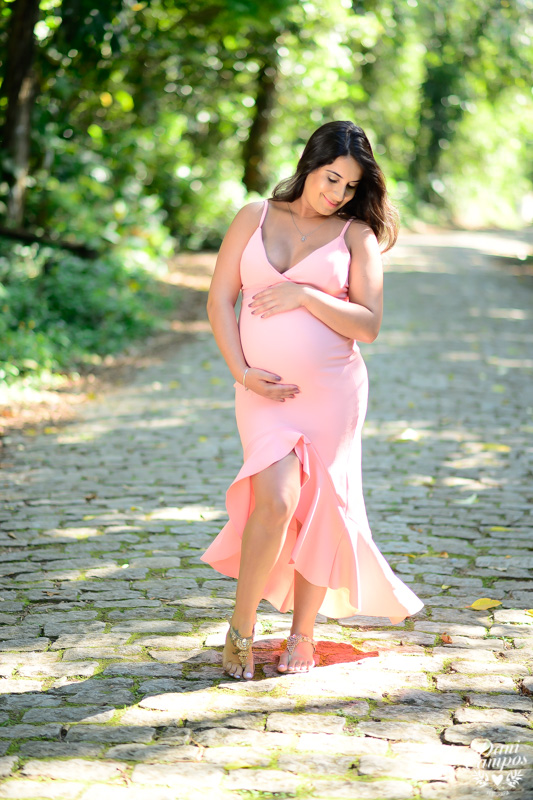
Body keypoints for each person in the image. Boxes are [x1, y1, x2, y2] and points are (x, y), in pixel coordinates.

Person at [201, 120, 424, 680]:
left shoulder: (356, 236)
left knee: (321, 507)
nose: (338, 194)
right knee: (273, 499)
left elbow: (369, 324)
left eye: (349, 187)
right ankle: (241, 628)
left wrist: (306, 293)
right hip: (262, 392)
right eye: (331, 179)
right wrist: (243, 373)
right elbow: (219, 300)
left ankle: (303, 632)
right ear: (309, 165)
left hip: (333, 394)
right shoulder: (254, 217)